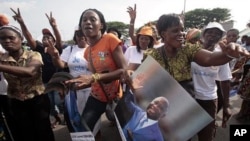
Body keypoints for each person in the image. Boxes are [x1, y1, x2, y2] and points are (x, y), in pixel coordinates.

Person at [141, 13, 249, 98]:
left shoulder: (188, 49)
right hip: (161, 103)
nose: (181, 33)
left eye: (182, 30)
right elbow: (144, 83)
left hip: (187, 104)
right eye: (175, 31)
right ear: (163, 34)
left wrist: (229, 54)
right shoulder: (151, 55)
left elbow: (210, 58)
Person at [64, 8, 127, 139]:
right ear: (81, 26)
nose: (88, 22)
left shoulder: (110, 39)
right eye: (84, 20)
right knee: (82, 131)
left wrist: (93, 77)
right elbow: (95, 79)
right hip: (96, 96)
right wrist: (78, 85)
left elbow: (124, 71)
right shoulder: (87, 52)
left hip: (116, 96)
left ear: (101, 25)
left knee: (126, 131)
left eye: (93, 19)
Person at [0, 25, 54, 141]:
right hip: (16, 102)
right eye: (2, 38)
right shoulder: (2, 59)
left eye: (11, 38)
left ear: (21, 38)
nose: (7, 41)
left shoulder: (34, 55)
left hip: (38, 101)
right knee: (25, 134)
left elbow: (30, 71)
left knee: (44, 133)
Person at [11, 8, 63, 128]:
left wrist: (54, 26)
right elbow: (29, 37)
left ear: (54, 41)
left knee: (60, 103)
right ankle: (54, 118)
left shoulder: (58, 49)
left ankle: (62, 117)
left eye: (49, 37)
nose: (46, 39)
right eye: (44, 37)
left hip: (58, 82)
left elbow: (59, 40)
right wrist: (21, 22)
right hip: (44, 83)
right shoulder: (39, 49)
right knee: (49, 104)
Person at [46, 26, 101, 135]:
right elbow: (61, 65)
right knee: (78, 115)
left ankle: (96, 136)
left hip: (93, 88)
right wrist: (55, 56)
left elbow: (100, 68)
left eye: (83, 34)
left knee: (94, 116)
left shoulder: (95, 48)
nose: (82, 37)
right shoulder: (70, 49)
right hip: (75, 89)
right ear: (75, 37)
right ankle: (84, 137)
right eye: (78, 34)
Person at [191, 22, 232, 141]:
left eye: (217, 33)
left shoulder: (221, 55)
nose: (212, 35)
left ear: (220, 37)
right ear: (204, 34)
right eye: (210, 32)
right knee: (186, 132)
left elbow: (225, 81)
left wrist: (226, 106)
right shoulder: (192, 50)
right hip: (190, 98)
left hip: (209, 100)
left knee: (206, 136)